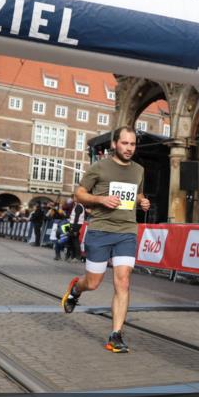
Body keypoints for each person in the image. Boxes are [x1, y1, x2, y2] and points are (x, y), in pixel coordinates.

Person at [61, 126, 150, 353]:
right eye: (125, 143)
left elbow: (137, 192)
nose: (129, 148)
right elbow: (79, 194)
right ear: (114, 144)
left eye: (132, 144)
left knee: (123, 281)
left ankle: (115, 335)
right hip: (100, 230)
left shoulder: (139, 170)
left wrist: (142, 201)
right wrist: (101, 200)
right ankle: (76, 289)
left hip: (127, 231)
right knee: (93, 282)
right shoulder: (99, 167)